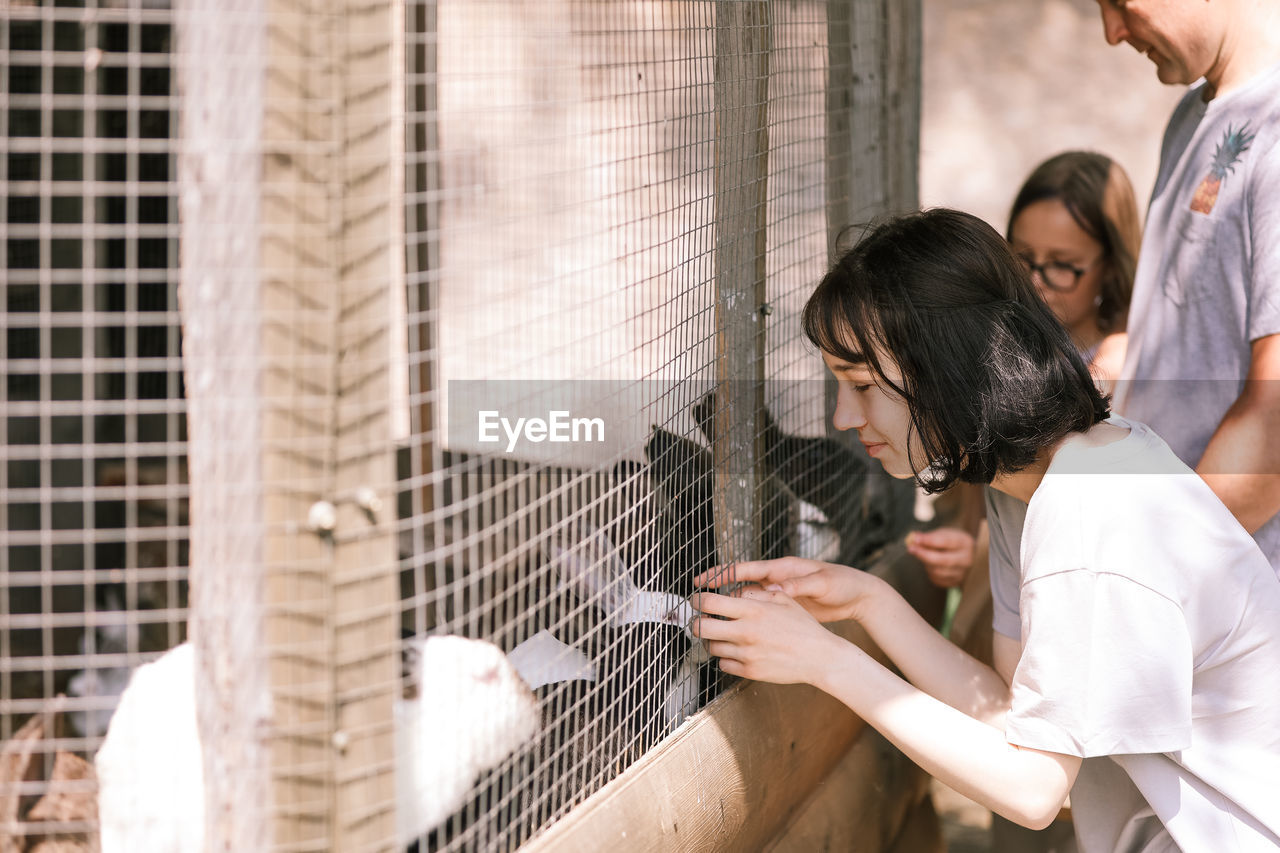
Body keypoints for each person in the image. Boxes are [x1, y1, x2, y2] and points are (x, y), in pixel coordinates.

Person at [690, 209, 1280, 852]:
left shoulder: (1085, 514)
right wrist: (869, 601)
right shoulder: (1029, 481)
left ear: (950, 364)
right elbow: (1008, 717)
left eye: (860, 383)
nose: (841, 416)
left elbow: (1034, 793)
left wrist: (826, 659)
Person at [1096, 0, 1280, 570]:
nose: (1112, 32)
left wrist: (1152, 567)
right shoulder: (1191, 116)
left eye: (1119, 2)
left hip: (1240, 601)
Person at [908, 150, 1142, 588]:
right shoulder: (997, 346)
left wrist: (977, 554)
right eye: (1022, 258)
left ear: (1110, 267)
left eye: (1061, 265)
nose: (1035, 281)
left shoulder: (1119, 353)